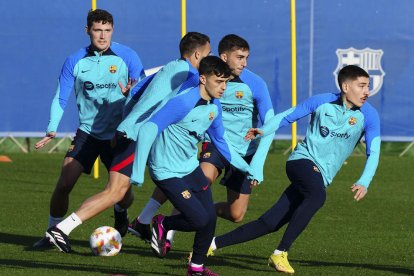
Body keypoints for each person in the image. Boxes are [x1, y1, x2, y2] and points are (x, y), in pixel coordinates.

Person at [42, 32, 211, 253]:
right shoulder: (188, 73)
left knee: (162, 179)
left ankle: (143, 223)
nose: (210, 58)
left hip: (134, 134)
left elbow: (138, 87)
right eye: (208, 54)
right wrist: (129, 126)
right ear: (198, 54)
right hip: (135, 136)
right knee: (115, 192)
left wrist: (127, 119)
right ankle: (61, 229)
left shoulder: (173, 68)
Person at [208, 65, 381, 274]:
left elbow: (374, 151)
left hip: (321, 175)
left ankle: (211, 244)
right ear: (345, 86)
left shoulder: (369, 116)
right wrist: (264, 130)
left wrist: (364, 180)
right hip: (301, 162)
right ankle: (280, 252)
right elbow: (287, 116)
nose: (366, 91)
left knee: (270, 223)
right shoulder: (322, 101)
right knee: (317, 196)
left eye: (368, 86)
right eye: (361, 86)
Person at [131, 34, 274, 247]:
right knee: (197, 181)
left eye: (246, 57)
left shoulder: (255, 83)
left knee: (236, 214)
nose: (245, 63)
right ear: (224, 57)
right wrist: (134, 91)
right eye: (240, 57)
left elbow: (269, 124)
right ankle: (163, 232)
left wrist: (257, 165)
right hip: (216, 144)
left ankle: (198, 217)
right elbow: (163, 78)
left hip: (244, 151)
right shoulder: (205, 76)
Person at [32, 9, 145, 249]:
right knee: (64, 182)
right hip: (88, 133)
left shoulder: (128, 57)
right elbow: (61, 98)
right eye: (97, 30)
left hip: (119, 134)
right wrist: (52, 129)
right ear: (87, 31)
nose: (103, 36)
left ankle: (120, 211)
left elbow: (143, 94)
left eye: (107, 30)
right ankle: (53, 233)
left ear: (112, 30)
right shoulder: (75, 60)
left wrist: (130, 95)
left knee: (123, 195)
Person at [131, 56, 252, 276]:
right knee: (198, 219)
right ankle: (163, 223)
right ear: (203, 79)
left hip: (189, 167)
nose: (223, 87)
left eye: (226, 82)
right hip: (166, 171)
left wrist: (246, 168)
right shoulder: (184, 102)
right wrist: (138, 171)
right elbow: (148, 129)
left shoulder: (214, 106)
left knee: (210, 218)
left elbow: (221, 141)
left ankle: (196, 267)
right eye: (219, 82)